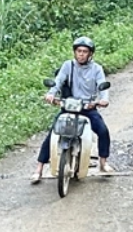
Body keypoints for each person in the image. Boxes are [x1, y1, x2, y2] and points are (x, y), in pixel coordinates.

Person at [31, 36, 112, 183]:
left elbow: (102, 85)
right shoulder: (68, 65)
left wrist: (103, 99)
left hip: (87, 107)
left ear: (90, 54)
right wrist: (51, 94)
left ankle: (103, 162)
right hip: (69, 106)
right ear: (74, 52)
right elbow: (58, 81)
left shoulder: (97, 69)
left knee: (102, 131)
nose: (81, 54)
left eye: (84, 51)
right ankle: (39, 169)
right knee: (52, 134)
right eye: (78, 51)